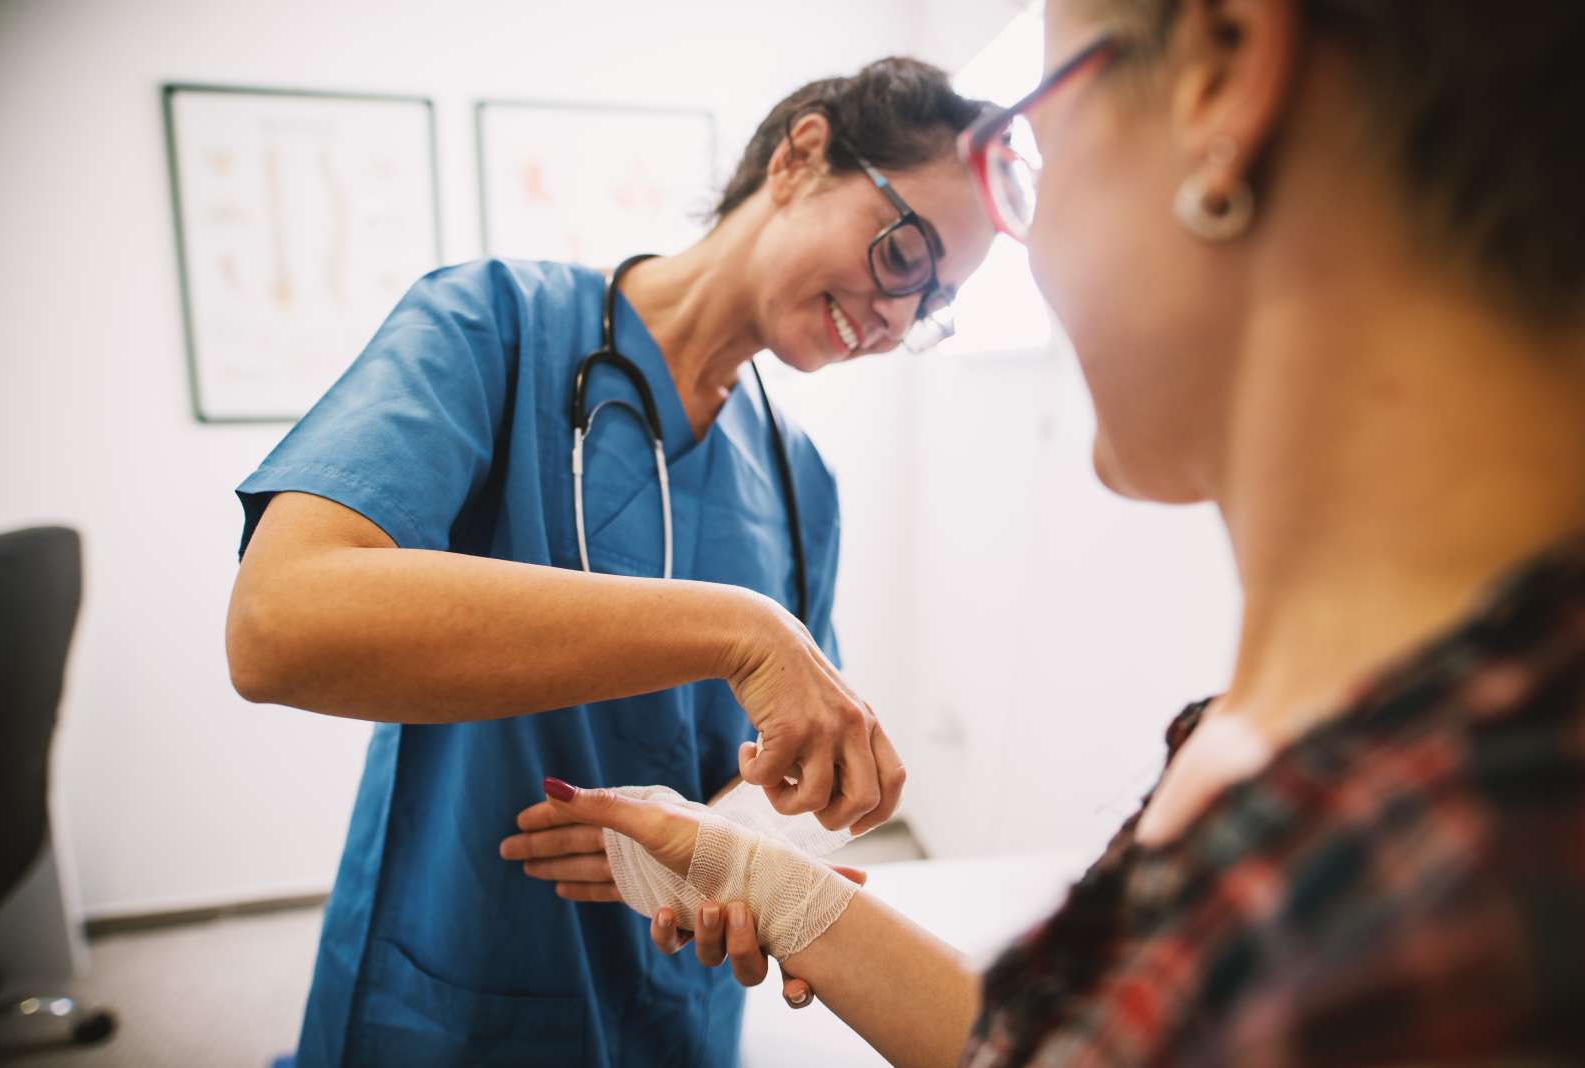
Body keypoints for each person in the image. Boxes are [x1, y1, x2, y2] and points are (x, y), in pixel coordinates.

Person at [508, 0, 1585, 1064]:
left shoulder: (1436, 892)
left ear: (1222, 70)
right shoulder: (1341, 769)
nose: (899, 319)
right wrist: (764, 881)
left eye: (1037, 152)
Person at [225, 59, 998, 1067]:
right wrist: (739, 627)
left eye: (932, 305)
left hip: (679, 998)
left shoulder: (800, 480)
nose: (897, 321)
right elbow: (279, 625)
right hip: (457, 983)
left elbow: (776, 777)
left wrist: (744, 856)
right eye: (908, 256)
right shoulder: (491, 327)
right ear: (801, 158)